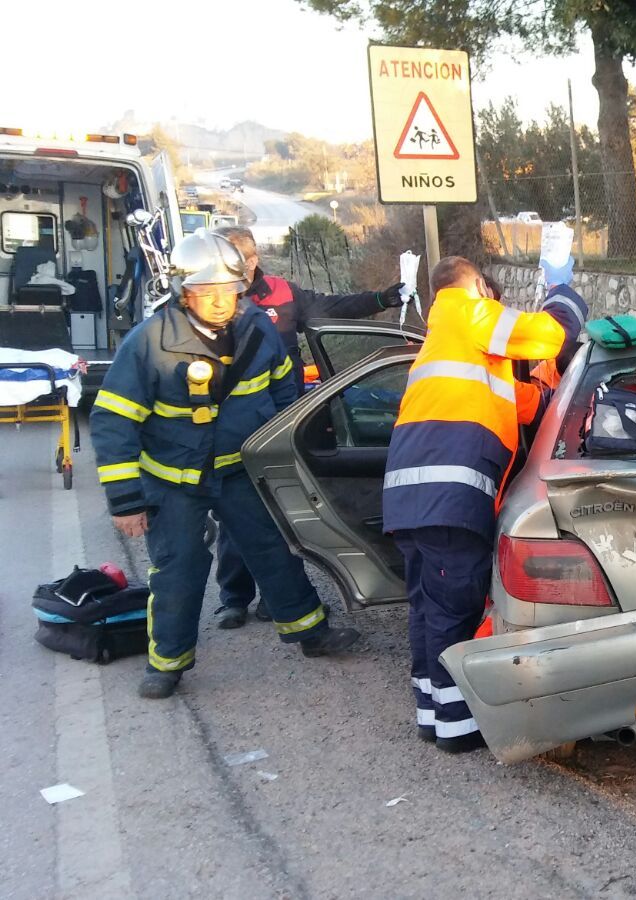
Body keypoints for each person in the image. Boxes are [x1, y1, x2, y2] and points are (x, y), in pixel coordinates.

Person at [91, 231, 361, 700]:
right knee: (178, 569)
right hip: (174, 481)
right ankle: (167, 664)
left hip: (239, 471)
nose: (220, 301)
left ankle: (310, 632)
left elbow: (283, 393)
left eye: (229, 289)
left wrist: (284, 456)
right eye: (207, 290)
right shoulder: (150, 342)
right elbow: (113, 419)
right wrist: (125, 500)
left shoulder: (258, 328)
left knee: (273, 551)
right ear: (183, 291)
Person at [382, 256, 586, 753]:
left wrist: (556, 401)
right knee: (453, 611)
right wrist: (561, 292)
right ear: (476, 285)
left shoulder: (445, 348)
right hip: (449, 501)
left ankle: (432, 714)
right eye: (491, 295)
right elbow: (547, 336)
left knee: (427, 609)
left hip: (410, 501)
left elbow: (522, 402)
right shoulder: (465, 312)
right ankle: (456, 728)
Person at [209, 225, 407, 628]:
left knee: (280, 513)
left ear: (252, 260)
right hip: (232, 427)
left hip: (283, 421)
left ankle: (275, 598)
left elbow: (330, 308)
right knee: (236, 517)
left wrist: (380, 299)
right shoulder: (214, 302)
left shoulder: (283, 293)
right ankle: (234, 598)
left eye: (234, 258)